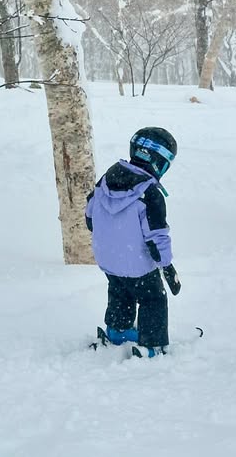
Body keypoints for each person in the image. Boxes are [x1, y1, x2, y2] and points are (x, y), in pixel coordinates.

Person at [85, 126, 181, 358]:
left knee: (120, 291)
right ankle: (152, 344)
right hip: (136, 262)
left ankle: (119, 331)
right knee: (153, 298)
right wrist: (167, 266)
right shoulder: (149, 192)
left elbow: (90, 215)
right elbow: (156, 235)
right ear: (160, 161)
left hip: (108, 258)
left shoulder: (107, 179)